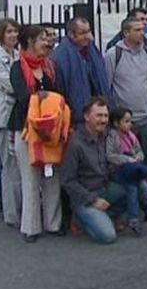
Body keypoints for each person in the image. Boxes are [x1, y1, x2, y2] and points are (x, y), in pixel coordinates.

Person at [104, 17, 147, 210]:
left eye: (143, 29)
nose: (142, 33)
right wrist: (115, 117)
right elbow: (107, 85)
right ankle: (134, 198)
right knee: (125, 160)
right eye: (137, 29)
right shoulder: (114, 55)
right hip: (122, 121)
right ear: (126, 33)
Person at [60, 97, 140, 244]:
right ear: (86, 117)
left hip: (105, 189)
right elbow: (67, 181)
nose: (103, 120)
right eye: (98, 116)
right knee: (108, 236)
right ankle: (80, 219)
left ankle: (106, 215)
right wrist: (93, 200)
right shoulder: (75, 144)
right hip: (85, 198)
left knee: (139, 186)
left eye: (105, 116)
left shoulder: (107, 136)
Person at [9, 25, 62, 243]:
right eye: (42, 39)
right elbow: (22, 96)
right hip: (26, 129)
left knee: (52, 177)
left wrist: (46, 99)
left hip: (50, 129)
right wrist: (43, 99)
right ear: (30, 42)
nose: (47, 42)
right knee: (30, 178)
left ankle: (53, 222)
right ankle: (30, 227)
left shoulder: (49, 66)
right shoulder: (17, 67)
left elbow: (58, 93)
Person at [0, 18, 21, 225]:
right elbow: (11, 84)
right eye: (9, 32)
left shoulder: (18, 55)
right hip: (3, 115)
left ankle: (21, 209)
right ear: (1, 35)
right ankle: (10, 214)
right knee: (8, 166)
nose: (13, 35)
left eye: (15, 32)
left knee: (19, 165)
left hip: (18, 115)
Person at [106, 107, 147, 225]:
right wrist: (127, 160)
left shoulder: (131, 136)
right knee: (132, 186)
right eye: (126, 122)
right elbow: (110, 156)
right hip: (118, 170)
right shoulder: (112, 136)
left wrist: (137, 157)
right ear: (116, 123)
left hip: (132, 168)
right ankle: (135, 217)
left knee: (142, 186)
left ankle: (144, 212)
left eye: (130, 121)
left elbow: (139, 151)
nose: (129, 125)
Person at [51, 17, 112, 124]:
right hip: (77, 119)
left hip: (99, 115)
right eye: (83, 33)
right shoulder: (60, 57)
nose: (88, 36)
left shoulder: (92, 50)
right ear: (71, 34)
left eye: (88, 31)